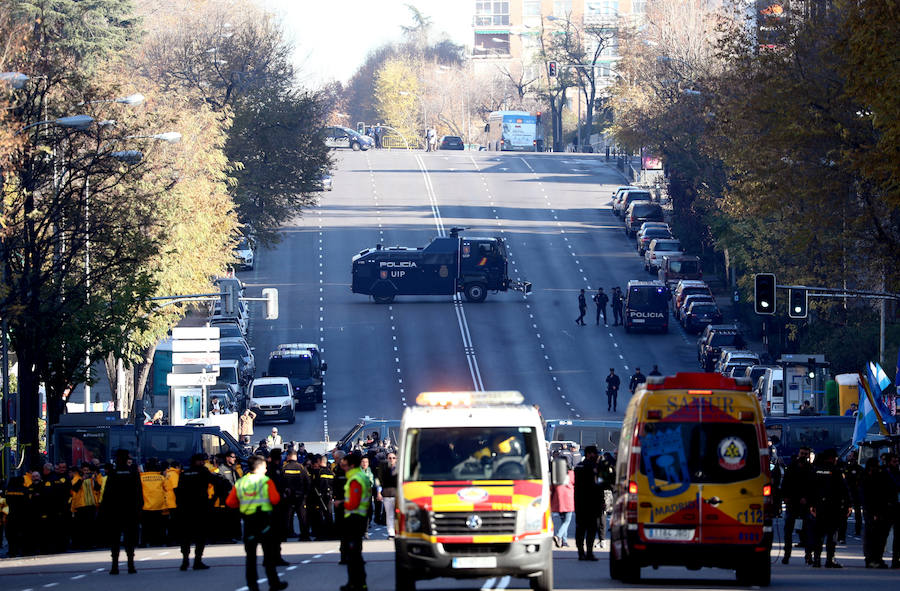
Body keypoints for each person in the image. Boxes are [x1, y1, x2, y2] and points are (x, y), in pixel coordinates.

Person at [226, 455, 288, 591]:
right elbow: (275, 499)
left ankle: (252, 586)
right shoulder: (265, 481)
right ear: (259, 467)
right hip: (264, 522)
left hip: (248, 522)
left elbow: (230, 502)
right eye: (265, 467)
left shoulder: (241, 482)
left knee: (250, 558)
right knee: (269, 556)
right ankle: (274, 583)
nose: (266, 470)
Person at [175, 453, 222, 570]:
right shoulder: (203, 471)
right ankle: (197, 561)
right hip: (201, 507)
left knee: (186, 536)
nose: (203, 463)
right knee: (200, 536)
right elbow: (218, 482)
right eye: (201, 461)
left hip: (186, 509)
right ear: (197, 461)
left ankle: (185, 561)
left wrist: (179, 507)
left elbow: (178, 491)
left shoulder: (184, 473)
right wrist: (213, 499)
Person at [102, 449, 143, 575]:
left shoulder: (113, 473)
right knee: (130, 539)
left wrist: (106, 511)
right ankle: (131, 565)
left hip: (115, 511)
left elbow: (107, 494)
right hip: (130, 511)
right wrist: (138, 509)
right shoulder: (132, 472)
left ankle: (114, 566)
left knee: (115, 539)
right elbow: (138, 492)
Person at [808, 448, 850, 568]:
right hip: (833, 508)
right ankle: (829, 560)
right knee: (832, 535)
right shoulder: (836, 471)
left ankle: (816, 560)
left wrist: (812, 505)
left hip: (819, 507)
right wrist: (848, 505)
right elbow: (844, 490)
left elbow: (811, 489)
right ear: (832, 458)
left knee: (818, 535)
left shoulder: (816, 470)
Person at [335, 451, 370, 591]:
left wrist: (341, 503)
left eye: (345, 465)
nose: (343, 468)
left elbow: (353, 503)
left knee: (353, 555)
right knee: (355, 554)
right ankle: (357, 583)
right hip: (360, 517)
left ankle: (356, 584)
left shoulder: (355, 479)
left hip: (354, 519)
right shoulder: (362, 476)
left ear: (352, 465)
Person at [780, 446, 814, 564]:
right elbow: (785, 483)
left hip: (804, 505)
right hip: (792, 503)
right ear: (799, 454)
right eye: (802, 453)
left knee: (807, 531)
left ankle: (808, 554)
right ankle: (786, 554)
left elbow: (813, 487)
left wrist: (807, 498)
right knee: (788, 530)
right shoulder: (792, 467)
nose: (804, 456)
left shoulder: (810, 469)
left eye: (806, 454)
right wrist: (785, 497)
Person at [573, 445, 604, 561]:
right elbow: (599, 486)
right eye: (594, 453)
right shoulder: (594, 468)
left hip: (580, 503)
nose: (596, 456)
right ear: (589, 454)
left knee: (581, 529)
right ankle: (588, 552)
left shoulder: (578, 467)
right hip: (592, 503)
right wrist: (602, 501)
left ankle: (581, 552)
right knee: (590, 529)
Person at [861, 457, 890, 568]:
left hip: (879, 510)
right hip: (871, 510)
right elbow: (867, 497)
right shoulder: (867, 478)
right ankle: (871, 559)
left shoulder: (879, 476)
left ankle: (877, 558)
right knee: (872, 536)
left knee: (880, 537)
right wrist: (872, 512)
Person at [70, 463, 102, 549]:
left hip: (91, 504)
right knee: (82, 526)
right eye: (85, 470)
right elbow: (74, 489)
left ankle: (90, 543)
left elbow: (98, 488)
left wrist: (95, 480)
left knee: (91, 525)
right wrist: (82, 480)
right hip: (81, 505)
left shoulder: (91, 479)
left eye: (88, 470)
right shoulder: (77, 478)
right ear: (81, 471)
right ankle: (82, 543)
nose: (86, 472)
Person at [282, 449, 311, 541]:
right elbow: (308, 481)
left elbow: (280, 482)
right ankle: (305, 535)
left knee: (288, 516)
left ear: (289, 456)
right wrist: (306, 494)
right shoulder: (301, 467)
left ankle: (288, 533)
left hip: (288, 496)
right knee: (302, 517)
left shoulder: (285, 468)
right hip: (300, 496)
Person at [139, 458, 167, 547]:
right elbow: (166, 489)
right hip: (159, 505)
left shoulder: (141, 478)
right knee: (158, 526)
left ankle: (144, 542)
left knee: (146, 526)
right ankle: (158, 541)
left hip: (146, 506)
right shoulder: (161, 478)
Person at [551, 463, 574, 548]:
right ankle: (559, 536)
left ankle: (564, 541)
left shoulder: (556, 474)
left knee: (563, 521)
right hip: (568, 500)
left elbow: (552, 488)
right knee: (567, 521)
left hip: (559, 500)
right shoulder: (571, 474)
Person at [375, 451, 398, 538]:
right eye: (390, 458)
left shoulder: (400, 470)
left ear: (396, 459)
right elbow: (379, 481)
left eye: (393, 458)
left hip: (397, 495)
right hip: (387, 494)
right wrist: (379, 493)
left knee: (398, 515)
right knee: (389, 515)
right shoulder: (383, 469)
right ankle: (391, 533)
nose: (391, 460)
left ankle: (398, 532)